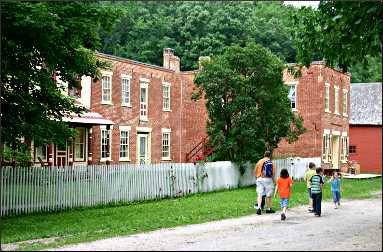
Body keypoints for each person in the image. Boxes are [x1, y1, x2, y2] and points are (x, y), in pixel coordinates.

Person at [254, 150, 276, 215]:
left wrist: (257, 177)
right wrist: (274, 181)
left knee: (259, 194)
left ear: (264, 155)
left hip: (259, 179)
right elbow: (273, 173)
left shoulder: (259, 161)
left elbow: (255, 171)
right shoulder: (271, 162)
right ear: (270, 156)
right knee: (268, 194)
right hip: (268, 179)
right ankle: (268, 209)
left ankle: (259, 208)